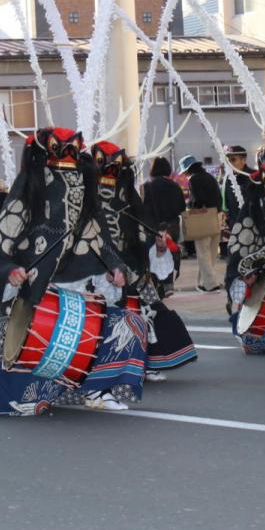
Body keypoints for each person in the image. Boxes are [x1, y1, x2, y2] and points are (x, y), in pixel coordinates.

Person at [0, 127, 146, 415]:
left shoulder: (86, 203)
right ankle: (20, 391)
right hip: (35, 296)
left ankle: (97, 390)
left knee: (130, 326)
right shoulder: (26, 196)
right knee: (20, 391)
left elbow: (103, 246)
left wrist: (114, 271)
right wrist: (11, 271)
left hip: (79, 294)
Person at [93, 141, 196, 381]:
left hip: (133, 271)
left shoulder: (131, 201)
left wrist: (159, 247)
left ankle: (145, 361)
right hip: (96, 273)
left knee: (151, 312)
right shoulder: (85, 204)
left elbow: (144, 236)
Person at [225, 147, 265, 353]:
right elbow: (243, 241)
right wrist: (245, 274)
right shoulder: (254, 200)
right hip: (263, 272)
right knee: (253, 344)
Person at [142, 156, 186, 293]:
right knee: (168, 254)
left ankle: (154, 283)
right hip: (171, 226)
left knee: (152, 256)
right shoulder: (175, 186)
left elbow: (143, 208)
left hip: (152, 227)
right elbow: (181, 207)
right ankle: (168, 285)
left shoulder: (147, 187)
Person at [182, 154, 222, 293]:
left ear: (188, 170)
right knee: (211, 252)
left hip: (202, 219)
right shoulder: (210, 177)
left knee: (203, 253)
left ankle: (211, 284)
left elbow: (197, 200)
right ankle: (205, 282)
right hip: (216, 216)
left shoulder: (194, 179)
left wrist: (190, 205)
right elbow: (218, 197)